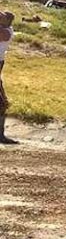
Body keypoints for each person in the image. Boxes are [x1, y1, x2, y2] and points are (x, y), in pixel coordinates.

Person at [0, 11, 16, 144]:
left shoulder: (8, 32)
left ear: (8, 21)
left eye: (3, 16)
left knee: (1, 104)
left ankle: (0, 135)